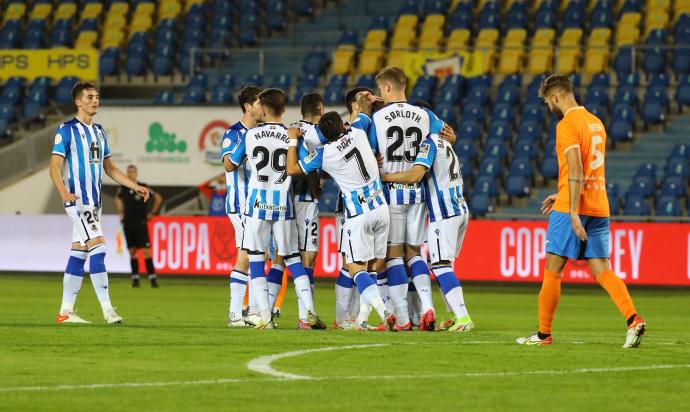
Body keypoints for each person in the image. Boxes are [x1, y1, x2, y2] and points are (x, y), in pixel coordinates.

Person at [516, 75, 646, 347]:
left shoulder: (567, 124)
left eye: (547, 102)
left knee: (553, 270)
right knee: (602, 270)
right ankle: (633, 319)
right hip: (599, 205)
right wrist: (563, 192)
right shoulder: (595, 122)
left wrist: (572, 209)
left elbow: (576, 168)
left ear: (555, 97)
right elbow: (587, 170)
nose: (549, 108)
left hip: (573, 208)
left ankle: (543, 334)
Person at [286, 111, 397, 331]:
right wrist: (367, 101)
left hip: (359, 214)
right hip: (381, 209)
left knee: (356, 269)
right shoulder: (357, 132)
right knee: (373, 266)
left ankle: (384, 311)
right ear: (343, 125)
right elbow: (362, 115)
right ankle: (362, 320)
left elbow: (291, 169)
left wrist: (292, 140)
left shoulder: (324, 153)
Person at [50, 81, 149, 324]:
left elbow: (110, 168)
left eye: (97, 97)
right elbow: (54, 166)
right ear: (78, 101)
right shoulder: (66, 130)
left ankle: (65, 311)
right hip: (77, 200)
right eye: (90, 97)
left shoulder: (100, 131)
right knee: (99, 247)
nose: (95, 100)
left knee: (79, 252)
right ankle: (108, 310)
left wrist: (133, 185)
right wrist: (63, 192)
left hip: (94, 203)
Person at [226, 88, 326, 330]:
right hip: (283, 206)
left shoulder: (250, 136)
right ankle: (309, 312)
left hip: (256, 207)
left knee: (257, 259)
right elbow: (307, 164)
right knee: (293, 260)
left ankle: (265, 318)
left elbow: (230, 165)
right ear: (283, 109)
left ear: (263, 108)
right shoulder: (291, 136)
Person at [380, 117, 474, 332]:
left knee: (440, 266)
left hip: (444, 211)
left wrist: (384, 177)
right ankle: (452, 315)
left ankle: (463, 317)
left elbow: (415, 175)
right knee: (442, 264)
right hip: (460, 208)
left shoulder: (429, 143)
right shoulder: (447, 144)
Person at [367, 66, 442, 331]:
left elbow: (369, 153)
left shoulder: (378, 118)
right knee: (415, 253)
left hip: (392, 192)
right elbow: (449, 135)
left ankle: (403, 318)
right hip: (418, 193)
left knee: (393, 256)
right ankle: (429, 307)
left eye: (380, 90)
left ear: (386, 88)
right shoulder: (425, 114)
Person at [221, 85, 263, 327]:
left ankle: (250, 312)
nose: (263, 108)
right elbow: (228, 165)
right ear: (248, 106)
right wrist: (249, 140)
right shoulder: (234, 134)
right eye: (259, 103)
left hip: (258, 205)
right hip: (240, 204)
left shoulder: (264, 132)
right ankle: (238, 314)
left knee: (257, 254)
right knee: (249, 255)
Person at [285, 92, 326, 328]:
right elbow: (312, 166)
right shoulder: (318, 134)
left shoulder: (289, 129)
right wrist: (317, 188)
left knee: (283, 257)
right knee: (308, 257)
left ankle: (267, 311)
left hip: (285, 200)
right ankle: (306, 316)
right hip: (306, 200)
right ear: (320, 110)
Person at [114, 165, 163, 288]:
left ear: (136, 173)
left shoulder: (142, 186)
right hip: (128, 223)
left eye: (133, 172)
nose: (131, 174)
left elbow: (158, 198)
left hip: (140, 222)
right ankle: (135, 279)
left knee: (146, 251)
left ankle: (152, 278)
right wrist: (120, 211)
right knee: (132, 251)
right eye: (129, 172)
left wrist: (153, 213)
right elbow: (117, 199)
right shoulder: (122, 188)